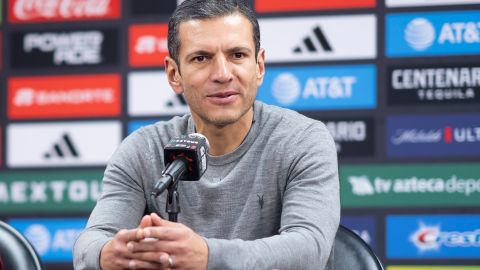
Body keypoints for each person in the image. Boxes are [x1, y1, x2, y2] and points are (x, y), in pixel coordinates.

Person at [73, 0, 339, 269]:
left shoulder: (303, 140)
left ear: (259, 66)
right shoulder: (143, 150)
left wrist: (208, 256)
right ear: (174, 74)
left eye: (237, 55)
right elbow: (90, 244)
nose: (223, 74)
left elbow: (310, 248)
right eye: (201, 58)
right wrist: (111, 253)